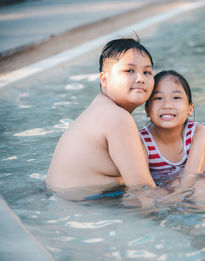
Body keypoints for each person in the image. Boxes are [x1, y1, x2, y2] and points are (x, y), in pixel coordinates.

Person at [46, 37, 156, 190]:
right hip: (87, 206)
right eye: (129, 70)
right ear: (105, 80)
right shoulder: (117, 118)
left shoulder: (99, 111)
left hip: (69, 201)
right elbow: (142, 189)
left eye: (147, 72)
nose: (141, 78)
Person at [139, 70, 205, 188]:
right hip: (161, 186)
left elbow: (192, 177)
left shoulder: (198, 132)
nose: (167, 105)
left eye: (176, 97)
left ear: (190, 109)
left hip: (198, 177)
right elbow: (144, 185)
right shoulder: (141, 140)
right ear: (147, 110)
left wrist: (179, 193)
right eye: (158, 98)